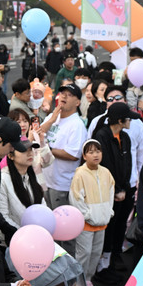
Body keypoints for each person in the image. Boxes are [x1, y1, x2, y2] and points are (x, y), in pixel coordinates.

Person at [91, 103, 134, 270]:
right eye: (128, 118)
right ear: (120, 120)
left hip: (124, 190)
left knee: (120, 225)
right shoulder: (102, 136)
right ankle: (104, 265)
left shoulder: (125, 137)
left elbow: (127, 163)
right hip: (107, 193)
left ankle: (115, 258)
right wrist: (115, 190)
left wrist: (125, 188)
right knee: (108, 228)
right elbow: (105, 165)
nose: (130, 121)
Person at [69, 140, 115, 280]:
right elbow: (76, 198)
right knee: (84, 254)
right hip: (86, 224)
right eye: (91, 152)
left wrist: (108, 211)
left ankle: (88, 280)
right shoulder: (80, 174)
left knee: (95, 253)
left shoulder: (106, 172)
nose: (95, 155)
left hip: (102, 222)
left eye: (98, 151)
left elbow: (111, 193)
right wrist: (87, 215)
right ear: (84, 156)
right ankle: (78, 282)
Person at [41, 84, 87, 212]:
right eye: (62, 93)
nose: (64, 96)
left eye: (69, 95)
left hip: (62, 184)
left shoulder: (76, 125)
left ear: (77, 102)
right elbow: (36, 136)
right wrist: (51, 120)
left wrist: (48, 150)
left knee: (60, 220)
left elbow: (73, 155)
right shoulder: (51, 117)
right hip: (44, 180)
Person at [0, 140, 45, 233]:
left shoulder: (33, 176)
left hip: (36, 233)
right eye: (24, 151)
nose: (30, 153)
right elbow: (3, 215)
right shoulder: (3, 180)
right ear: (11, 156)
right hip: (14, 235)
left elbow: (43, 206)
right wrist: (25, 232)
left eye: (31, 150)